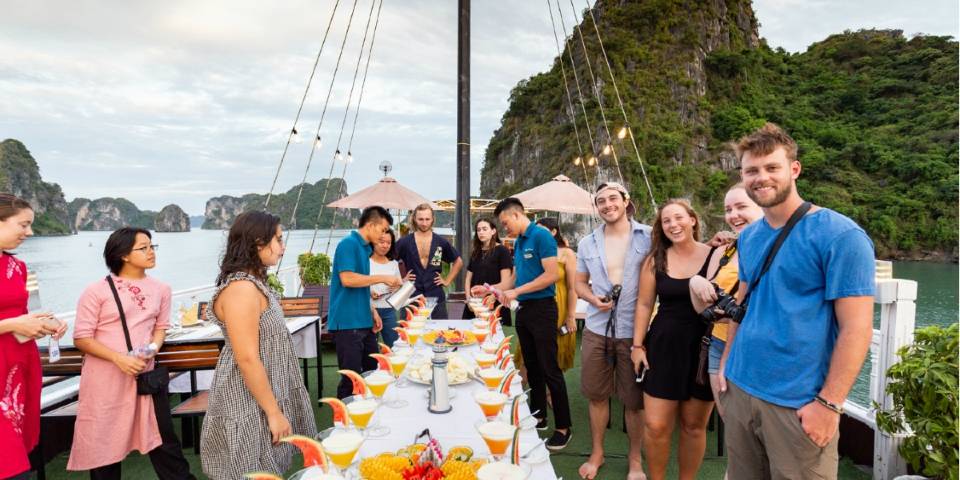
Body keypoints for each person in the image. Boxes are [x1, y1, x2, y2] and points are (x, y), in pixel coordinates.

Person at [719, 123, 875, 479]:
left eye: (771, 167)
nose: (761, 177)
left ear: (794, 169)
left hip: (796, 401)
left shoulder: (840, 236)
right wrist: (727, 361)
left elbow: (857, 328)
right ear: (743, 176)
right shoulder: (750, 237)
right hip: (742, 387)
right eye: (751, 171)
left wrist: (829, 404)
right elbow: (742, 305)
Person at [200, 211, 317, 479]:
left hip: (264, 390)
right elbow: (247, 358)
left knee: (268, 466)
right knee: (251, 469)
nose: (283, 247)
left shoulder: (254, 283)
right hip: (246, 398)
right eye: (279, 239)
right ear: (258, 243)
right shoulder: (241, 288)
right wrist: (273, 412)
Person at [69, 228, 194, 479]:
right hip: (106, 378)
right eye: (143, 248)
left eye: (152, 246)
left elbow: (160, 327)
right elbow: (82, 337)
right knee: (104, 447)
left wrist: (152, 348)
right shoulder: (96, 291)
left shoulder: (161, 289)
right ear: (124, 254)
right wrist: (119, 358)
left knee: (164, 441)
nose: (151, 252)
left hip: (144, 375)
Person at [631, 199, 716, 480]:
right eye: (666, 221)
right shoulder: (655, 259)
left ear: (693, 220)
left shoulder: (716, 255)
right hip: (664, 346)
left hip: (703, 348)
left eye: (678, 217)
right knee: (656, 426)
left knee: (693, 426)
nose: (673, 224)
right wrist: (637, 346)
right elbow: (644, 304)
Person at [573, 182, 651, 480]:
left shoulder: (649, 236)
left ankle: (635, 460)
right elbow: (579, 283)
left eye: (613, 198)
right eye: (601, 201)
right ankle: (597, 453)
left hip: (635, 331)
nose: (607, 205)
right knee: (596, 395)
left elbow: (684, 248)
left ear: (626, 201)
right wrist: (592, 299)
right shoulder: (587, 243)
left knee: (634, 401)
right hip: (596, 329)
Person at [487, 197, 572, 450]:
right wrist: (491, 289)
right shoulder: (520, 241)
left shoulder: (541, 236)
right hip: (523, 310)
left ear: (516, 215)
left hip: (543, 309)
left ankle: (564, 427)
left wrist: (516, 291)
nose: (505, 228)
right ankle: (539, 415)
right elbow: (514, 278)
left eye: (505, 223)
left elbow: (552, 275)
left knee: (549, 368)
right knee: (531, 365)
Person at [0, 194, 67, 480]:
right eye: (23, 224)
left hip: (19, 365)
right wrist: (13, 324)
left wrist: (46, 323)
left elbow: (23, 314)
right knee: (10, 464)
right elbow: (13, 321)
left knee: (16, 452)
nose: (29, 232)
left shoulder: (19, 268)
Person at [688, 184, 762, 422]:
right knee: (730, 420)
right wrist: (695, 282)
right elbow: (703, 309)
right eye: (729, 210)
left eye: (741, 207)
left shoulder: (777, 252)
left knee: (758, 425)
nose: (733, 215)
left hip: (755, 347)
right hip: (718, 342)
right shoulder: (725, 252)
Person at [329, 206, 402, 399]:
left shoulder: (365, 249)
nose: (384, 235)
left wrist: (373, 311)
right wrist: (383, 278)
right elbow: (347, 279)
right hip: (347, 322)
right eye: (382, 229)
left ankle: (368, 412)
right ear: (370, 225)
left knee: (371, 371)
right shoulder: (348, 244)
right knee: (351, 380)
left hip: (364, 321)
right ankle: (343, 416)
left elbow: (361, 286)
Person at [524, 217, 576, 372]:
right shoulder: (533, 251)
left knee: (553, 354)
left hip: (559, 305)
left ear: (553, 232)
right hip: (534, 303)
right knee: (528, 351)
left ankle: (550, 388)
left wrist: (571, 316)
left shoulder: (567, 253)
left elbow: (572, 288)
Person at [395, 203, 462, 319]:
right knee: (409, 328)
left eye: (427, 219)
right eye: (421, 219)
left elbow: (458, 261)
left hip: (435, 294)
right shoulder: (404, 242)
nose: (424, 223)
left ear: (432, 219)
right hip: (411, 295)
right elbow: (388, 261)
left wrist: (447, 281)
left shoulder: (441, 242)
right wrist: (400, 279)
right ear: (414, 219)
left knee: (439, 329)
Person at [462, 218, 513, 326]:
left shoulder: (502, 251)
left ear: (493, 231)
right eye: (478, 230)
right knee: (470, 333)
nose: (481, 232)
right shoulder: (476, 252)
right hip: (475, 302)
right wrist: (469, 299)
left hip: (493, 301)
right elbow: (468, 279)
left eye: (485, 229)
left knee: (491, 334)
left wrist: (493, 295)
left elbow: (506, 282)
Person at [369, 228, 405, 347]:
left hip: (389, 310)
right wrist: (370, 291)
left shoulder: (393, 263)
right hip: (369, 310)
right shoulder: (365, 262)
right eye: (381, 242)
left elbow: (399, 283)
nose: (385, 246)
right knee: (370, 348)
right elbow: (359, 284)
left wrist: (396, 287)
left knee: (394, 346)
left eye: (388, 243)